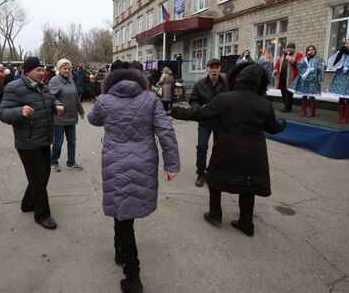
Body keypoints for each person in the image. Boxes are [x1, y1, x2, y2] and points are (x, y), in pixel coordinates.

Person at [88, 62, 180, 293]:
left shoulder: (105, 100)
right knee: (124, 212)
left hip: (115, 161)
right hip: (144, 159)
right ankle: (120, 251)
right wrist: (172, 164)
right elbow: (165, 131)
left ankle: (133, 277)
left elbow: (93, 119)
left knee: (122, 210)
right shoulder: (150, 99)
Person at [171, 63, 286, 237]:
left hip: (227, 149)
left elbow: (199, 114)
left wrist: (175, 111)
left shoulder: (225, 99)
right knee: (249, 185)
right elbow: (273, 128)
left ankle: (215, 214)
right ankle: (246, 223)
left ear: (237, 78)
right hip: (254, 153)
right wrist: (283, 123)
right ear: (260, 82)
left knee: (215, 180)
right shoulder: (264, 103)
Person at [0, 57, 65, 230]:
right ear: (27, 71)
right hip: (27, 141)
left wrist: (57, 105)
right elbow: (2, 112)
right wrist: (20, 111)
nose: (43, 73)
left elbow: (50, 100)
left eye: (43, 70)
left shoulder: (43, 86)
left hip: (43, 138)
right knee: (38, 178)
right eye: (38, 70)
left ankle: (27, 203)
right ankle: (42, 215)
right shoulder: (14, 87)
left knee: (43, 176)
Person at [189, 58, 228, 187]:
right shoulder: (199, 84)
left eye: (216, 67)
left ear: (220, 69)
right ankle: (201, 173)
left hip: (221, 122)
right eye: (211, 67)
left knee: (220, 148)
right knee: (202, 146)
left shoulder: (227, 84)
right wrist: (199, 108)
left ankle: (216, 173)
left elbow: (232, 100)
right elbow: (193, 100)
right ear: (207, 69)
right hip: (205, 120)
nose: (214, 70)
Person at [48, 59, 85, 172]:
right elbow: (50, 97)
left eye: (69, 68)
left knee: (72, 141)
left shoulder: (71, 80)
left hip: (71, 116)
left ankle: (71, 163)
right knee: (58, 142)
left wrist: (80, 110)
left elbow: (76, 97)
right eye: (65, 68)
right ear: (59, 69)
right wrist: (57, 106)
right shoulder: (54, 81)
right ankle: (53, 162)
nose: (67, 71)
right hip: (59, 116)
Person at [288, 45, 326, 117]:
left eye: (312, 50)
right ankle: (303, 110)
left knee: (312, 96)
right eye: (309, 50)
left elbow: (323, 67)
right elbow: (299, 65)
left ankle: (312, 112)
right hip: (304, 79)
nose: (311, 51)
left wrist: (321, 66)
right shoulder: (304, 59)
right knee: (304, 95)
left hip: (313, 80)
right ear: (307, 51)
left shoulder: (318, 59)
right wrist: (307, 58)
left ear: (315, 51)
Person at [273, 42, 303, 113]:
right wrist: (276, 70)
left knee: (289, 93)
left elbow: (300, 64)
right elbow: (277, 64)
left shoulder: (299, 55)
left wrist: (290, 59)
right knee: (283, 92)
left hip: (291, 78)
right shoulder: (283, 56)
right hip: (282, 77)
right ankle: (286, 106)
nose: (289, 49)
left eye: (291, 48)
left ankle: (288, 108)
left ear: (294, 49)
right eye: (288, 48)